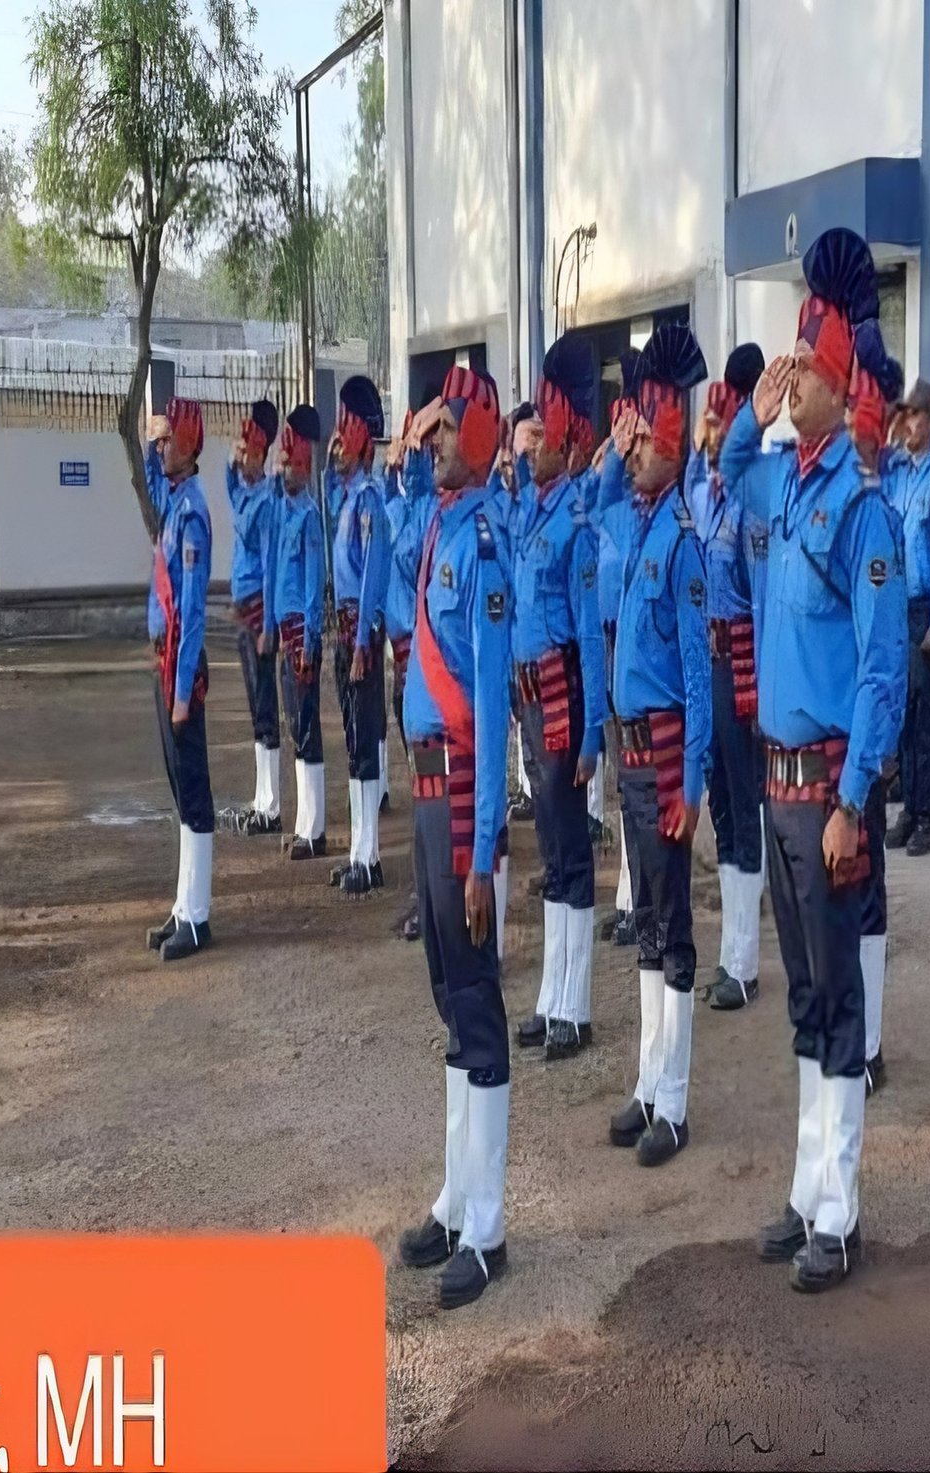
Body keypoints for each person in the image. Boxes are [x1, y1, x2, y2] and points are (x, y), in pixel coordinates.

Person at [719, 226, 907, 1292]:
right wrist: (751, 410)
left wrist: (852, 799)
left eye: (807, 372)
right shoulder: (785, 482)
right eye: (788, 370)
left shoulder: (860, 510)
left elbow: (883, 672)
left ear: (843, 384)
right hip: (778, 787)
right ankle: (804, 1193)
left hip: (828, 795)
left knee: (839, 1001)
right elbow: (730, 469)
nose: (792, 385)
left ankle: (840, 1206)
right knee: (803, 998)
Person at [394, 364, 515, 1310]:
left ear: (476, 441)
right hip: (429, 791)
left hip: (463, 798)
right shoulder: (435, 524)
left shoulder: (483, 541)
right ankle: (452, 1192)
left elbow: (488, 707)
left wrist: (480, 854)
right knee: (447, 997)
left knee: (476, 1004)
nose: (433, 441)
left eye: (445, 431)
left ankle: (489, 1223)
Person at [592, 323, 713, 1168]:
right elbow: (597, 503)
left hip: (667, 753)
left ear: (672, 446)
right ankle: (644, 1082)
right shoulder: (632, 523)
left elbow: (702, 681)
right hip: (629, 750)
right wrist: (614, 444)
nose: (632, 455)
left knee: (673, 929)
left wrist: (692, 783)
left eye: (644, 440)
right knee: (642, 922)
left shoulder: (682, 544)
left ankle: (674, 1098)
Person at [507, 332, 608, 1061]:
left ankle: (576, 1004)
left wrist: (594, 728)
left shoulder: (576, 523)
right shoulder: (531, 511)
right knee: (549, 850)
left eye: (541, 435)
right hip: (531, 697)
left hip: (565, 691)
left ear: (571, 442)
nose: (528, 446)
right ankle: (549, 995)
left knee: (572, 853)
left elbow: (591, 638)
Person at [688, 343, 770, 1013]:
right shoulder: (703, 494)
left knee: (747, 809)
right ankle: (731, 946)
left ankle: (742, 959)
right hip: (708, 662)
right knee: (720, 804)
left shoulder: (749, 502)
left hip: (740, 661)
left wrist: (761, 685)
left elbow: (762, 597)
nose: (706, 432)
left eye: (716, 421)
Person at [135, 398, 219, 963]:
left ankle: (199, 914)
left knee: (193, 791)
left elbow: (192, 613)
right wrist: (148, 436)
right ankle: (182, 906)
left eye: (168, 440)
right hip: (164, 662)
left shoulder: (192, 513)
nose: (161, 447)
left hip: (180, 668)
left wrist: (183, 691)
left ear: (189, 447)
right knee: (176, 789)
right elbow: (148, 476)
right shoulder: (172, 499)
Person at [848, 339, 907, 1094]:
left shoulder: (877, 514)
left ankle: (868, 1040)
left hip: (863, 732)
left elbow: (882, 654)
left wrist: (881, 744)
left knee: (865, 889)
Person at [885, 378, 930, 858]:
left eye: (916, 416)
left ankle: (927, 815)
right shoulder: (897, 476)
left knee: (927, 716)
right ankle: (910, 808)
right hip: (895, 608)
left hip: (924, 607)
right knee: (903, 717)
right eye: (904, 416)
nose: (909, 425)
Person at [327, 377, 393, 896]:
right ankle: (356, 850)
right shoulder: (346, 495)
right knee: (351, 740)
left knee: (365, 740)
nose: (337, 445)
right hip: (342, 629)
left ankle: (369, 857)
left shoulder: (370, 500)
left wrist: (365, 642)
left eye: (345, 437)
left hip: (360, 630)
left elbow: (372, 571)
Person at [220, 398, 283, 836]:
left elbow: (272, 563)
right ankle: (261, 799)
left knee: (265, 704)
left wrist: (269, 626)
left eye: (247, 451)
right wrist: (231, 459)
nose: (241, 457)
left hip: (260, 609)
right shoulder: (244, 490)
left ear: (262, 454)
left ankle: (272, 804)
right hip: (244, 607)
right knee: (253, 704)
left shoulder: (266, 498)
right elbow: (228, 482)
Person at [385, 406, 437, 942]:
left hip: (425, 664)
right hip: (401, 662)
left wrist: (415, 471)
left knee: (433, 789)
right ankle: (422, 893)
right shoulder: (400, 509)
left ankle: (433, 899)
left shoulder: (427, 513)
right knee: (418, 787)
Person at [600, 350, 646, 948]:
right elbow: (599, 496)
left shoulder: (657, 506)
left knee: (641, 787)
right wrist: (613, 447)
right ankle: (629, 893)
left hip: (639, 651)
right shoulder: (617, 498)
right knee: (621, 781)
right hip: (611, 642)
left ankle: (642, 898)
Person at [272, 404, 328, 863]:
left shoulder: (308, 516)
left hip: (299, 639)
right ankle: (303, 823)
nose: (282, 468)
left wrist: (309, 643)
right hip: (283, 634)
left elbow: (312, 588)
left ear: (304, 466)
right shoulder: (284, 510)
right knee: (295, 727)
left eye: (289, 462)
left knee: (306, 727)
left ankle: (315, 829)